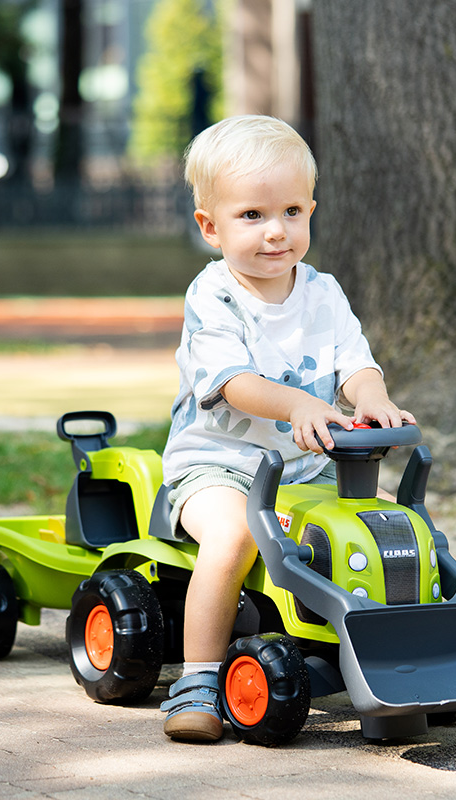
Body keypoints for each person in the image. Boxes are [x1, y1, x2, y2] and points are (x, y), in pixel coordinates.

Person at [159, 115, 416, 742]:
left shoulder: (323, 292)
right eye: (252, 216)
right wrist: (300, 404)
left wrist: (375, 398)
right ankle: (195, 681)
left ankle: (408, 655)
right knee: (232, 540)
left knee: (395, 530)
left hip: (307, 466)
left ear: (311, 211)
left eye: (293, 212)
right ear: (210, 226)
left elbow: (354, 363)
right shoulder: (213, 296)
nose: (277, 233)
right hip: (219, 465)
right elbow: (232, 383)